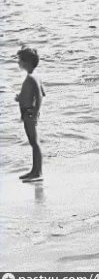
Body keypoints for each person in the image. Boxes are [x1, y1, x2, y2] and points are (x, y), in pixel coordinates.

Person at [15, 47, 44, 181]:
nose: (18, 63)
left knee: (34, 143)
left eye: (20, 60)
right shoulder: (34, 77)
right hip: (28, 113)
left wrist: (35, 113)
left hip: (30, 114)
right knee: (33, 142)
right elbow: (41, 93)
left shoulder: (32, 78)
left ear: (27, 63)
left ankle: (37, 172)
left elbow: (39, 96)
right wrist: (21, 97)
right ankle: (34, 170)